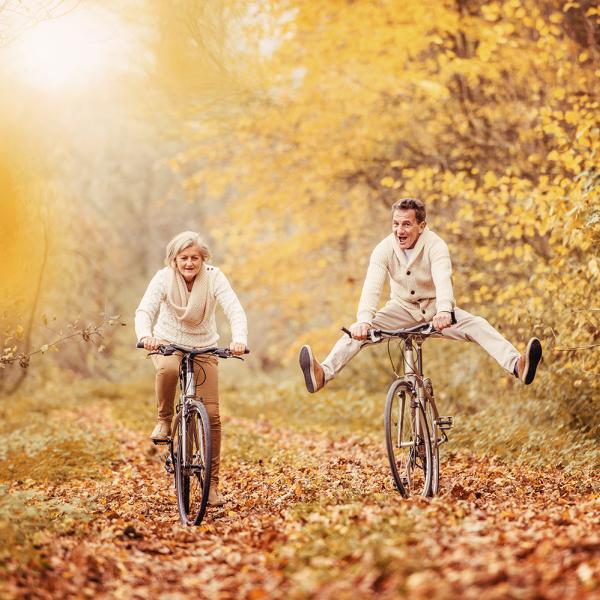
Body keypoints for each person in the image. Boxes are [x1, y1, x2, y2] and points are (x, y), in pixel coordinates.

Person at [299, 198, 542, 393]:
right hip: (401, 309)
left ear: (421, 226)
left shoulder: (436, 246)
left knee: (478, 325)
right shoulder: (384, 249)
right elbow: (372, 285)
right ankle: (322, 373)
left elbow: (442, 278)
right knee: (355, 333)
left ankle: (517, 365)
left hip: (437, 310)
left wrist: (445, 310)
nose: (399, 230)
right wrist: (363, 319)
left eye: (406, 224)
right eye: (395, 224)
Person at [135, 231, 247, 506]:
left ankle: (211, 486)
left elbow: (235, 310)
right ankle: (163, 420)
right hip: (166, 344)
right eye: (183, 258)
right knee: (169, 370)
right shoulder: (163, 278)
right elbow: (144, 311)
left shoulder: (215, 277)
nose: (189, 263)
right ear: (174, 259)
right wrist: (145, 335)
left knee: (212, 414)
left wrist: (239, 340)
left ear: (203, 258)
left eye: (194, 257)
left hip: (205, 347)